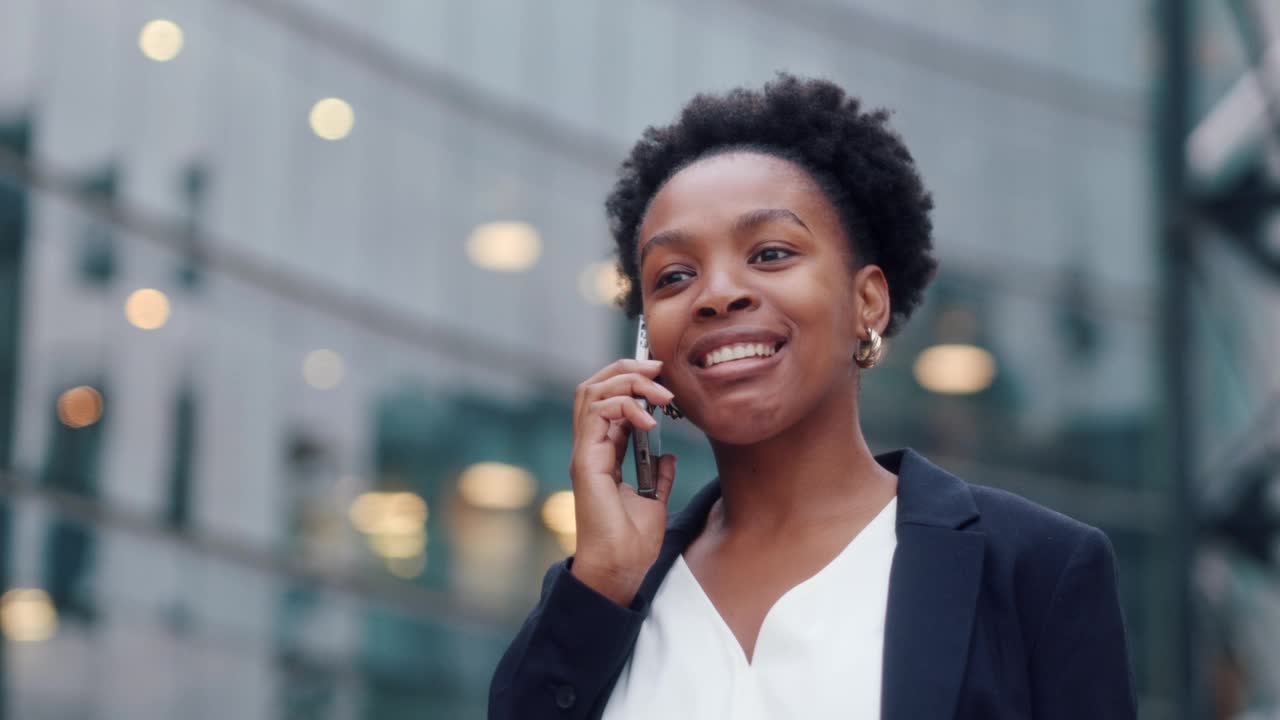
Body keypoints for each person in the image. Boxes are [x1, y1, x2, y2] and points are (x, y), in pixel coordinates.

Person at [488, 74, 1136, 719]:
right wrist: (603, 581)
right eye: (675, 276)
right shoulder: (603, 595)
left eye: (770, 253)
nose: (717, 293)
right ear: (646, 341)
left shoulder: (1035, 571)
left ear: (867, 302)